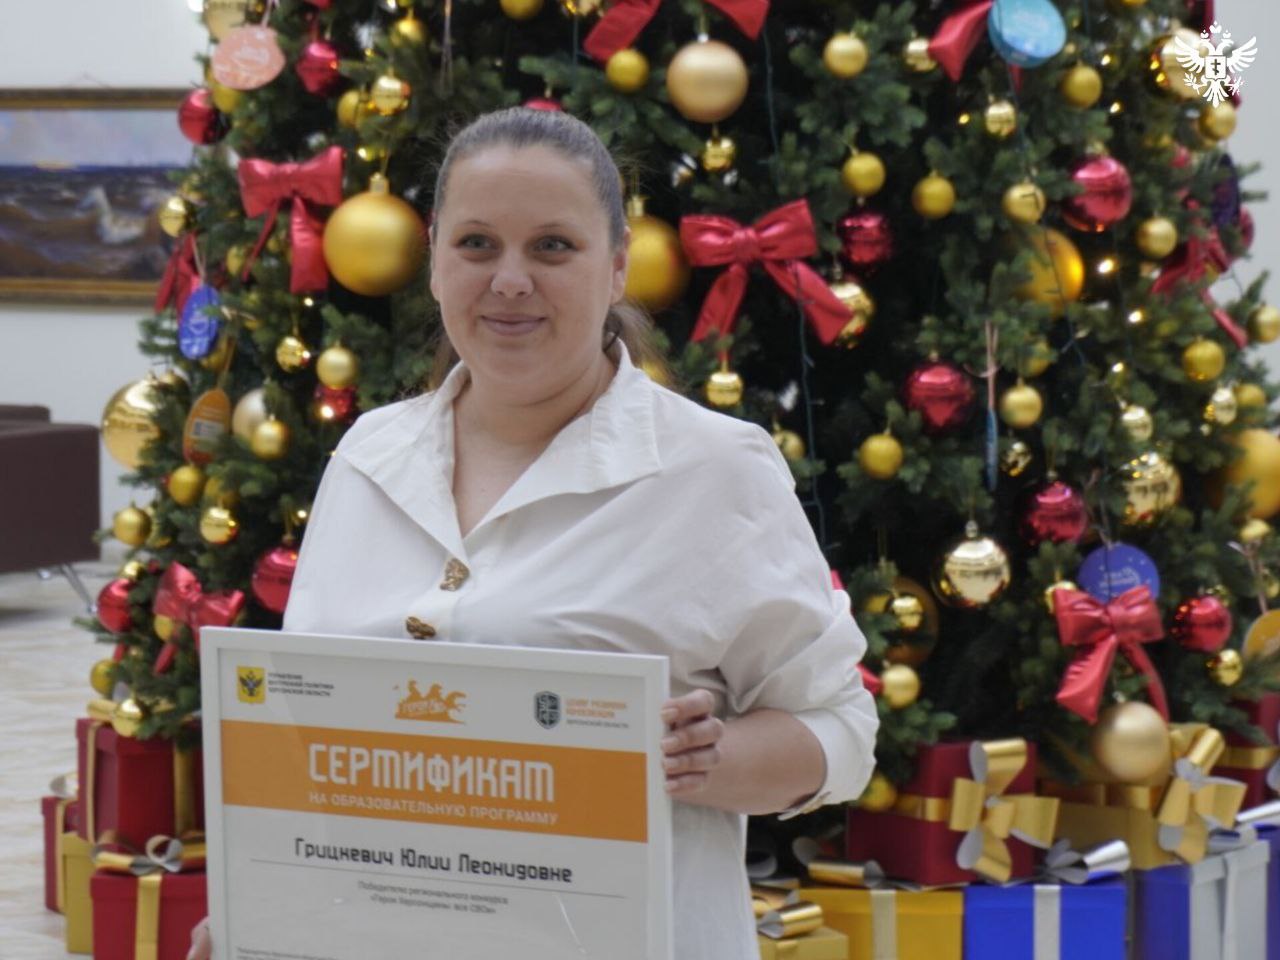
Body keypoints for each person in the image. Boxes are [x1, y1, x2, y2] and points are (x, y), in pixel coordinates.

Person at [188, 106, 877, 960]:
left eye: (553, 246)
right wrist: (257, 910)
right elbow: (308, 747)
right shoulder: (368, 456)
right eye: (477, 244)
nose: (510, 280)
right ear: (435, 261)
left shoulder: (713, 469)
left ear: (617, 267)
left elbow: (842, 730)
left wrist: (714, 759)